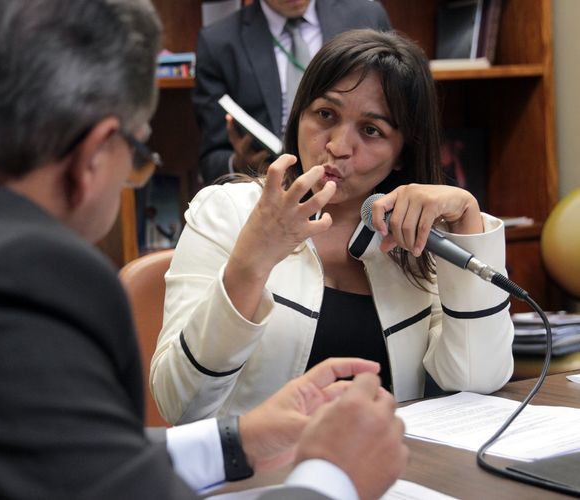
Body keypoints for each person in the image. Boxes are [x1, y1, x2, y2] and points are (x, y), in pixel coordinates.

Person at [0, 2, 408, 499]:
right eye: (137, 150)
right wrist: (333, 478)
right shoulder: (16, 284)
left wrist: (237, 440)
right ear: (94, 155)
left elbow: (64, 458)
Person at [151, 29, 515, 425]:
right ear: (300, 116)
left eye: (371, 130)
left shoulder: (414, 236)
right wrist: (249, 264)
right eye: (326, 114)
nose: (339, 145)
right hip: (260, 475)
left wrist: (467, 221)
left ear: (401, 155)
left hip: (384, 472)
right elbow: (179, 405)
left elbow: (477, 383)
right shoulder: (227, 212)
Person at [194, 0, 391, 185]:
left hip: (358, 182)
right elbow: (212, 158)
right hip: (269, 187)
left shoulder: (366, 17)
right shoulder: (218, 42)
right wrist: (239, 164)